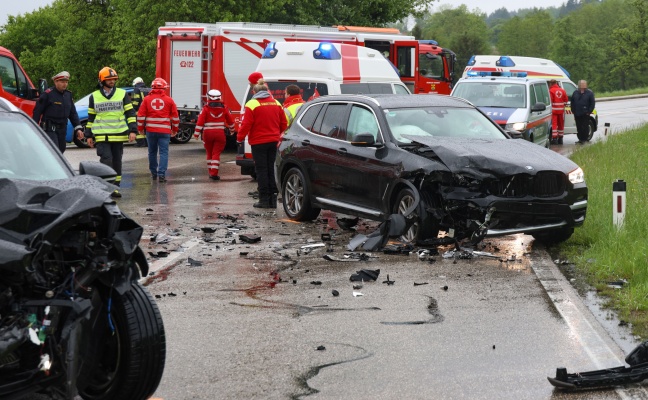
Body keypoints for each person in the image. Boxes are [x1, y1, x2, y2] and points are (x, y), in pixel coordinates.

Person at [81, 67, 137, 198]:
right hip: (101, 136)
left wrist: (133, 130)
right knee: (106, 160)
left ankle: (115, 188)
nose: (112, 81)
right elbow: (91, 117)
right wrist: (88, 135)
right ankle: (106, 187)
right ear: (102, 80)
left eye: (113, 79)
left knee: (117, 161)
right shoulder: (94, 96)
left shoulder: (122, 94)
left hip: (118, 134)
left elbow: (130, 113)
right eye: (109, 79)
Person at [238, 73, 287, 208]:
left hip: (258, 142)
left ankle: (264, 199)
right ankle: (273, 199)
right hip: (274, 141)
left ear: (254, 91)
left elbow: (246, 125)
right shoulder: (276, 103)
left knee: (261, 170)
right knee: (271, 168)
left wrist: (239, 138)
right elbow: (284, 123)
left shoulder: (252, 104)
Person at [137, 78, 179, 182]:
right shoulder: (169, 100)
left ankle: (153, 173)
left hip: (150, 131)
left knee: (152, 152)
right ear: (164, 88)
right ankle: (161, 175)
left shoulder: (146, 100)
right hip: (164, 131)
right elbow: (175, 117)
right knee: (163, 153)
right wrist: (175, 129)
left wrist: (140, 128)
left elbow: (141, 116)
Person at [32, 71, 83, 153]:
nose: (65, 84)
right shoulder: (47, 94)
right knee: (54, 151)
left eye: (66, 82)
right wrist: (33, 127)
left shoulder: (68, 95)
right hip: (50, 129)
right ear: (55, 82)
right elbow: (37, 111)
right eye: (62, 82)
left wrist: (78, 128)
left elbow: (73, 113)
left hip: (62, 129)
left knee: (61, 150)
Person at [193, 89, 235, 181]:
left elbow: (200, 122)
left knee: (209, 153)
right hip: (220, 134)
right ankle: (214, 173)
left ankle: (210, 172)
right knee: (216, 153)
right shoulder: (225, 108)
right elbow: (230, 121)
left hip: (207, 134)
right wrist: (232, 130)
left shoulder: (205, 109)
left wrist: (196, 134)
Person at [571, 80, 595, 144]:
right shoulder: (575, 92)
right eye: (581, 84)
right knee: (579, 126)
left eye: (583, 84)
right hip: (577, 113)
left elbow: (592, 103)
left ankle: (584, 139)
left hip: (585, 113)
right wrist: (573, 110)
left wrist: (589, 111)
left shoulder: (589, 93)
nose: (582, 85)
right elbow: (572, 102)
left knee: (584, 126)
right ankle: (580, 139)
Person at [131, 77, 151, 147]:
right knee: (146, 127)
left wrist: (133, 109)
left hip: (139, 112)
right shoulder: (149, 89)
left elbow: (135, 102)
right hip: (148, 112)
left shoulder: (137, 89)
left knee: (139, 127)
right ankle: (147, 142)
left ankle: (140, 143)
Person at [549, 79, 568, 145]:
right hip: (561, 110)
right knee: (561, 124)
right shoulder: (562, 90)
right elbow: (566, 100)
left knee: (554, 124)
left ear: (551, 84)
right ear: (556, 83)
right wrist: (562, 105)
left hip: (554, 110)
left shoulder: (551, 91)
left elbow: (550, 101)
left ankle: (554, 139)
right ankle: (560, 139)